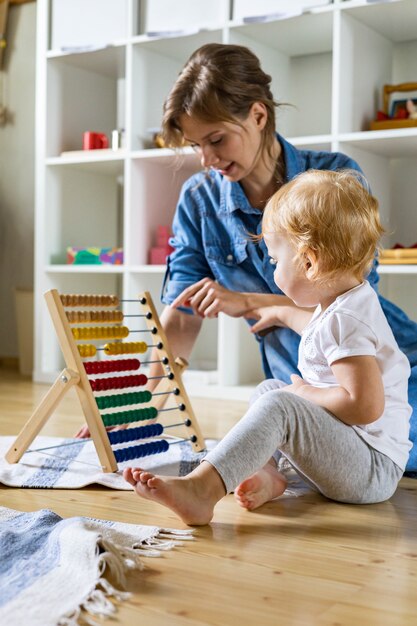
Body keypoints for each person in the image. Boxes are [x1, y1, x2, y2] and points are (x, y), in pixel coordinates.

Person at [153, 42, 417, 472]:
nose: (207, 159)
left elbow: (350, 298)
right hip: (304, 387)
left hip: (385, 372)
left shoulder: (335, 176)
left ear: (258, 115)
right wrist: (132, 414)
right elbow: (182, 314)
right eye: (196, 144)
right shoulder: (198, 200)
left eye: (216, 139)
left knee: (396, 455)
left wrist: (252, 302)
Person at [123, 169, 412, 525]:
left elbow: (364, 406)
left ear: (309, 262)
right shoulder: (343, 305)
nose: (273, 271)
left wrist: (308, 393)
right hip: (356, 456)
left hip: (370, 470)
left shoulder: (347, 320)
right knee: (270, 391)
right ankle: (271, 473)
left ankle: (202, 490)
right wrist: (276, 311)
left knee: (282, 402)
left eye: (276, 261)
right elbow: (313, 326)